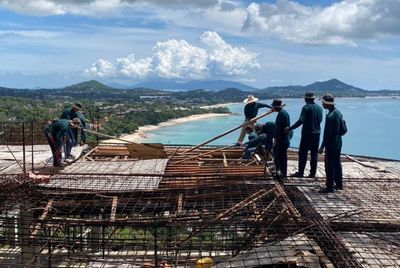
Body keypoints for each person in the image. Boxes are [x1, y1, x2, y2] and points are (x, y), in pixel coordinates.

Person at [286, 92, 323, 178]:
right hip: (317, 134)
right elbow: (320, 120)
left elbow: (301, 120)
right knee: (314, 154)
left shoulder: (306, 108)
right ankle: (312, 174)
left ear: (305, 99)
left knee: (303, 154)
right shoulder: (319, 108)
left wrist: (290, 128)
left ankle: (300, 173)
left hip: (307, 134)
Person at [318, 94, 344, 193]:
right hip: (338, 143)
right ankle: (339, 184)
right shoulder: (338, 113)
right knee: (337, 163)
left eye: (323, 102)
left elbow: (327, 134)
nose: (322, 104)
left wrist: (321, 147)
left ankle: (329, 186)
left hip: (331, 144)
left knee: (329, 165)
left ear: (326, 103)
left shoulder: (330, 116)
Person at [272, 99, 291, 179]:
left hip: (281, 140)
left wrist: (275, 140)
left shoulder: (281, 114)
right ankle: (283, 173)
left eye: (273, 106)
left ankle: (281, 173)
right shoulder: (284, 113)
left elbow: (278, 129)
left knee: (279, 157)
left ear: (276, 106)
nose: (273, 107)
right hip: (285, 139)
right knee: (283, 157)